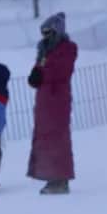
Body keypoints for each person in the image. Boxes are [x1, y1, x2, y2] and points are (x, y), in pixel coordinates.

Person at [27, 12, 78, 195]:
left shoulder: (68, 48)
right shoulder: (44, 51)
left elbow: (61, 71)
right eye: (44, 33)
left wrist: (43, 74)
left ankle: (61, 179)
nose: (45, 37)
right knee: (45, 139)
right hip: (44, 101)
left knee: (58, 138)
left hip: (57, 100)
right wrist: (35, 75)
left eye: (49, 32)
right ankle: (50, 177)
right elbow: (40, 69)